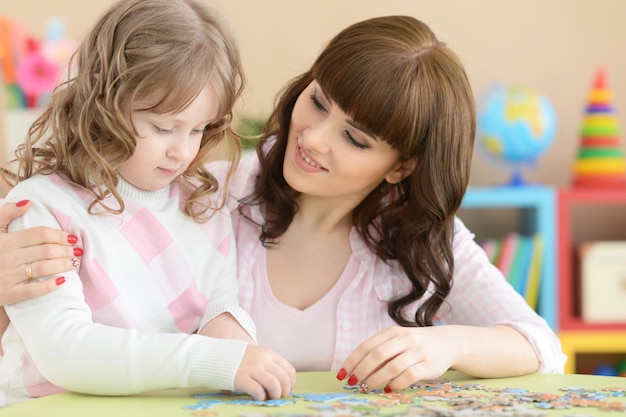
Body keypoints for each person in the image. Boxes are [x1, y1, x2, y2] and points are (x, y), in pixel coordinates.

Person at [0, 15, 565, 395]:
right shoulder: (205, 193)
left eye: (355, 138)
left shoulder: (417, 239)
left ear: (401, 166)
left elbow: (541, 347)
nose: (315, 138)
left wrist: (441, 342)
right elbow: (82, 329)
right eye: (318, 102)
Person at [0, 0, 294, 408]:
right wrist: (210, 359)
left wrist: (232, 339)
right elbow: (63, 353)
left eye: (199, 129)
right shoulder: (44, 206)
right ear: (104, 97)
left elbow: (217, 305)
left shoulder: (202, 205)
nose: (183, 151)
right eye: (163, 127)